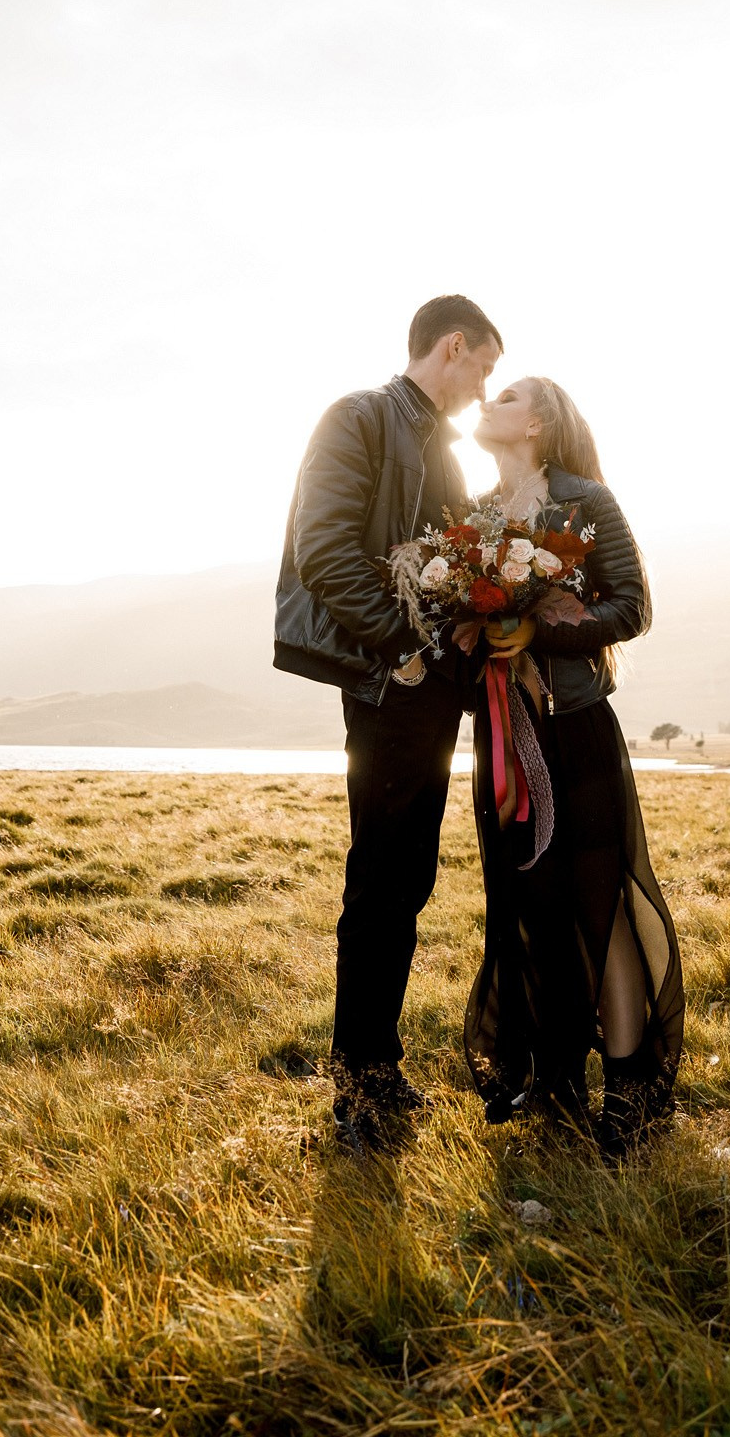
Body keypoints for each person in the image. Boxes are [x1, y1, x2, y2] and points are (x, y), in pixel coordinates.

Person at [274, 294, 502, 1148]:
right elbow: (324, 551)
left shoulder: (438, 448)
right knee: (380, 883)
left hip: (428, 692)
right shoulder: (359, 419)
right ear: (453, 347)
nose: (485, 388)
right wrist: (408, 651)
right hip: (387, 686)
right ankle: (359, 1088)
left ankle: (380, 1066)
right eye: (483, 367)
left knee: (408, 882)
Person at [460, 377, 683, 1160]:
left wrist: (541, 635)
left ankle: (627, 1091)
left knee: (601, 909)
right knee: (533, 909)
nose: (489, 400)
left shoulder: (587, 501)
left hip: (575, 729)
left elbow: (632, 608)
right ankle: (553, 1084)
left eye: (508, 394)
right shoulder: (475, 517)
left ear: (541, 420)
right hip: (503, 742)